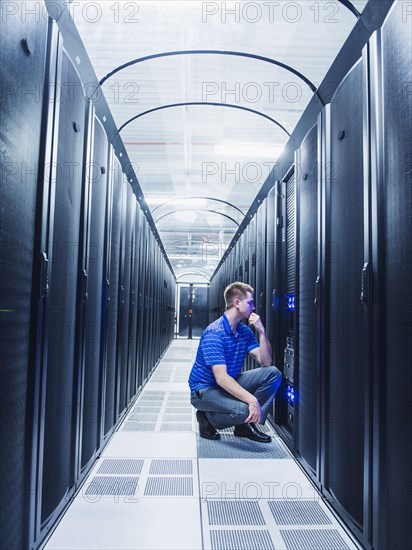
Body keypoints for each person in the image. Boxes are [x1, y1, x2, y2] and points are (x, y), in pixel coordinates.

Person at [188, 282, 282, 443]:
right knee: (244, 410)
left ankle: (244, 426)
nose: (253, 307)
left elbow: (265, 362)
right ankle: (206, 418)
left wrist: (261, 332)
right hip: (205, 390)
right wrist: (252, 401)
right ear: (237, 303)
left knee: (273, 374)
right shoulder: (214, 332)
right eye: (250, 303)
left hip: (228, 384)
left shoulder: (243, 331)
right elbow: (221, 378)